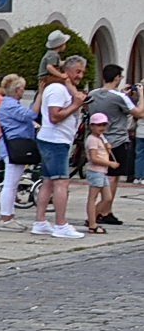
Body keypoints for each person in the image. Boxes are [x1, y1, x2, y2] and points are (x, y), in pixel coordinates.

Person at [34, 53, 87, 238]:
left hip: (54, 139)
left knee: (48, 182)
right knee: (61, 182)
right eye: (77, 71)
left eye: (82, 72)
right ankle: (61, 225)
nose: (80, 76)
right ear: (66, 70)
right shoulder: (57, 89)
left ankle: (40, 221)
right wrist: (76, 104)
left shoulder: (63, 88)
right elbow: (54, 116)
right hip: (55, 140)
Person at [85, 64, 143, 224]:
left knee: (103, 176)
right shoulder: (119, 97)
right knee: (113, 177)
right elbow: (139, 112)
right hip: (117, 140)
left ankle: (106, 210)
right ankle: (101, 211)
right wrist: (141, 94)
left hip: (99, 139)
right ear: (117, 77)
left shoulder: (93, 93)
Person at [0, 74, 37, 231]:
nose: (23, 91)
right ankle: (6, 218)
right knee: (10, 184)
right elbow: (30, 115)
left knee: (12, 183)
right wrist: (39, 97)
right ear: (18, 89)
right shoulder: (10, 105)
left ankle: (9, 216)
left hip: (13, 146)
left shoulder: (10, 104)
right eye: (23, 88)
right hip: (12, 147)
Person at [84, 113, 118, 234]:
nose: (102, 128)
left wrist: (107, 147)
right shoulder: (92, 139)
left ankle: (92, 217)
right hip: (96, 171)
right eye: (99, 125)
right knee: (92, 198)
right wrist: (109, 163)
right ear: (92, 126)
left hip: (102, 172)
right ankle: (92, 224)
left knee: (108, 198)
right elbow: (94, 158)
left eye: (104, 125)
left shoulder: (101, 138)